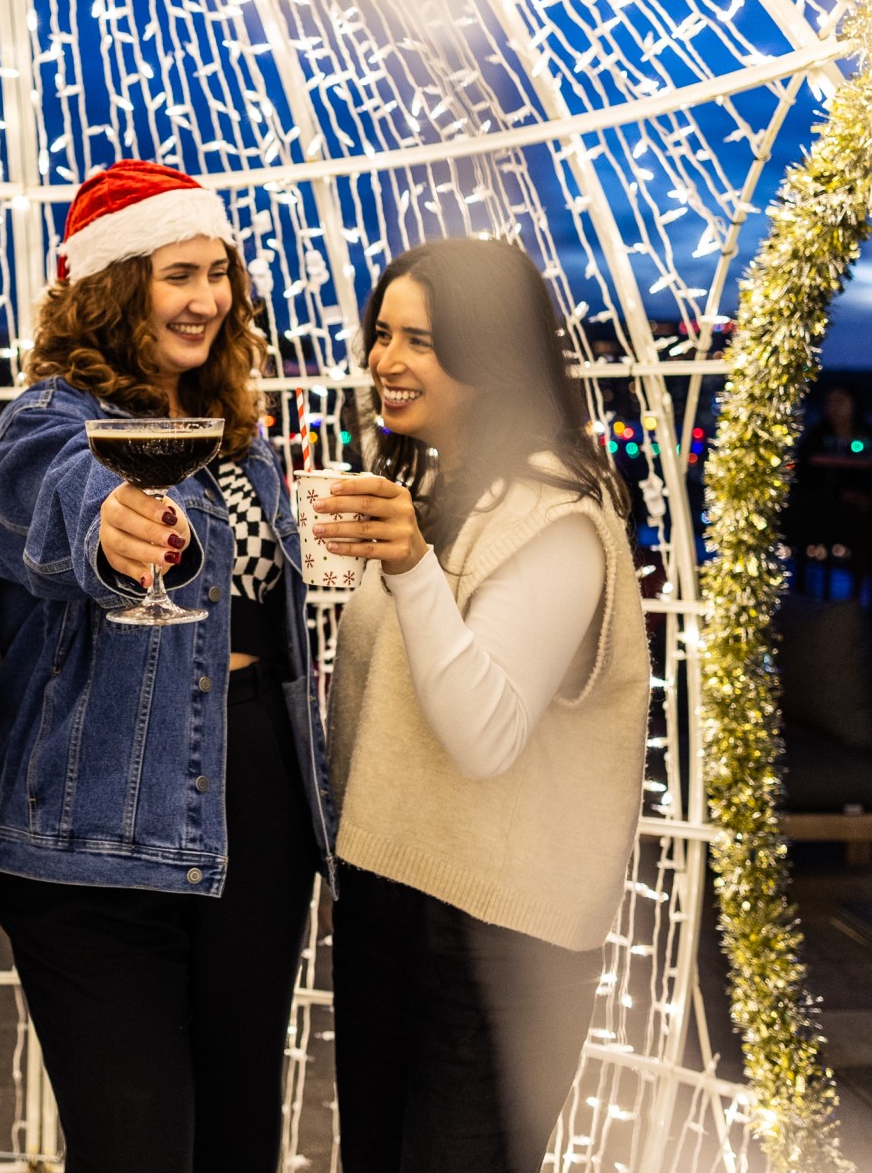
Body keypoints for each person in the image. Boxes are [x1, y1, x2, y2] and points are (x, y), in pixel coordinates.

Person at [0, 160, 336, 1173]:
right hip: (102, 830)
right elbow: (63, 507)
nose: (207, 299)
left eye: (219, 274)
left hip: (256, 811)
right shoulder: (48, 421)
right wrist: (113, 530)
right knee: (135, 1147)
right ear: (113, 287)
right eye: (179, 274)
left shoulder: (241, 437)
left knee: (238, 1135)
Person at [315, 236, 649, 1172]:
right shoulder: (435, 489)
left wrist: (412, 567)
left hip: (495, 940)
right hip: (392, 901)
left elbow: (484, 736)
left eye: (420, 340)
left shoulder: (554, 517)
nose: (386, 360)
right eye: (383, 334)